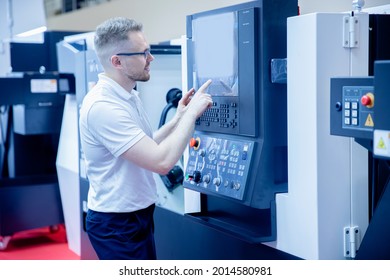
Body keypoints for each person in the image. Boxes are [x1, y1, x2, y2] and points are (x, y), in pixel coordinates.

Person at [78, 17, 213, 260]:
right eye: (143, 53)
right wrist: (192, 115)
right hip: (116, 224)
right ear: (117, 61)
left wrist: (179, 118)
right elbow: (161, 162)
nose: (151, 58)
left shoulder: (127, 95)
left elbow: (146, 144)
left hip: (137, 215)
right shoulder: (103, 106)